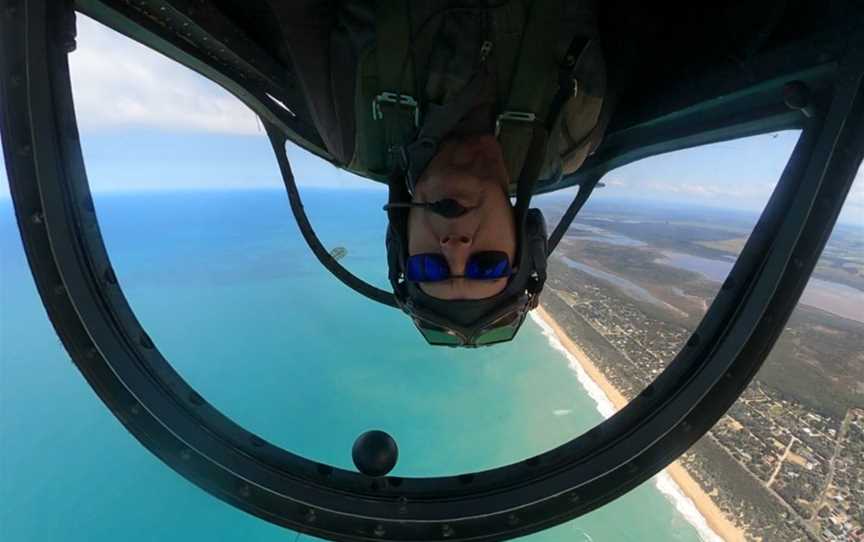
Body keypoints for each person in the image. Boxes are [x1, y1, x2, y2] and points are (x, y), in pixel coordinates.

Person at [273, 1, 609, 346]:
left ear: (402, 241)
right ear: (524, 238)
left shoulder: (350, 132)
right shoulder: (572, 132)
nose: (455, 247)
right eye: (486, 265)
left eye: (430, 267)